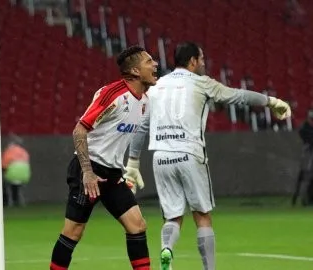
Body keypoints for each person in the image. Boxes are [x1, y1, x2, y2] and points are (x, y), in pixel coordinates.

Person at [123, 42, 291, 270]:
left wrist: (133, 162)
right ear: (192, 61)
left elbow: (142, 126)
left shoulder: (157, 85)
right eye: (201, 59)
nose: (203, 63)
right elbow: (237, 95)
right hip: (190, 153)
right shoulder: (202, 83)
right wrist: (271, 101)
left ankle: (166, 251)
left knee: (172, 216)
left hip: (161, 156)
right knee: (202, 215)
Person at [49, 45, 158, 270]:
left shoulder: (145, 101)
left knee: (137, 226)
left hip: (112, 175)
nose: (155, 64)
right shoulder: (113, 95)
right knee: (74, 232)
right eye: (149, 62)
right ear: (136, 71)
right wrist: (87, 173)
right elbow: (79, 130)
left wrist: (126, 167)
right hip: (89, 170)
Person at [2, 134, 31, 207]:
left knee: (5, 184)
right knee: (19, 188)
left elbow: (4, 165)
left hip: (12, 175)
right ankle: (21, 201)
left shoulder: (8, 152)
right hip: (25, 176)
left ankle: (9, 202)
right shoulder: (24, 152)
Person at [292, 109, 313, 206]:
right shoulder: (304, 129)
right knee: (306, 179)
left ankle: (307, 199)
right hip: (307, 157)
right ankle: (304, 200)